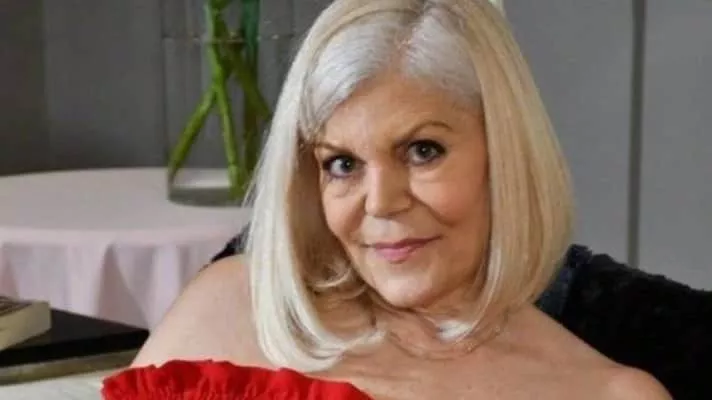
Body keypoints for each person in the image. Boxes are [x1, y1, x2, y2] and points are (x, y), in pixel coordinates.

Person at [102, 0, 673, 398]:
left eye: (423, 151)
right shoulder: (231, 301)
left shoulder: (608, 394)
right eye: (342, 164)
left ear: (506, 157)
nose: (380, 203)